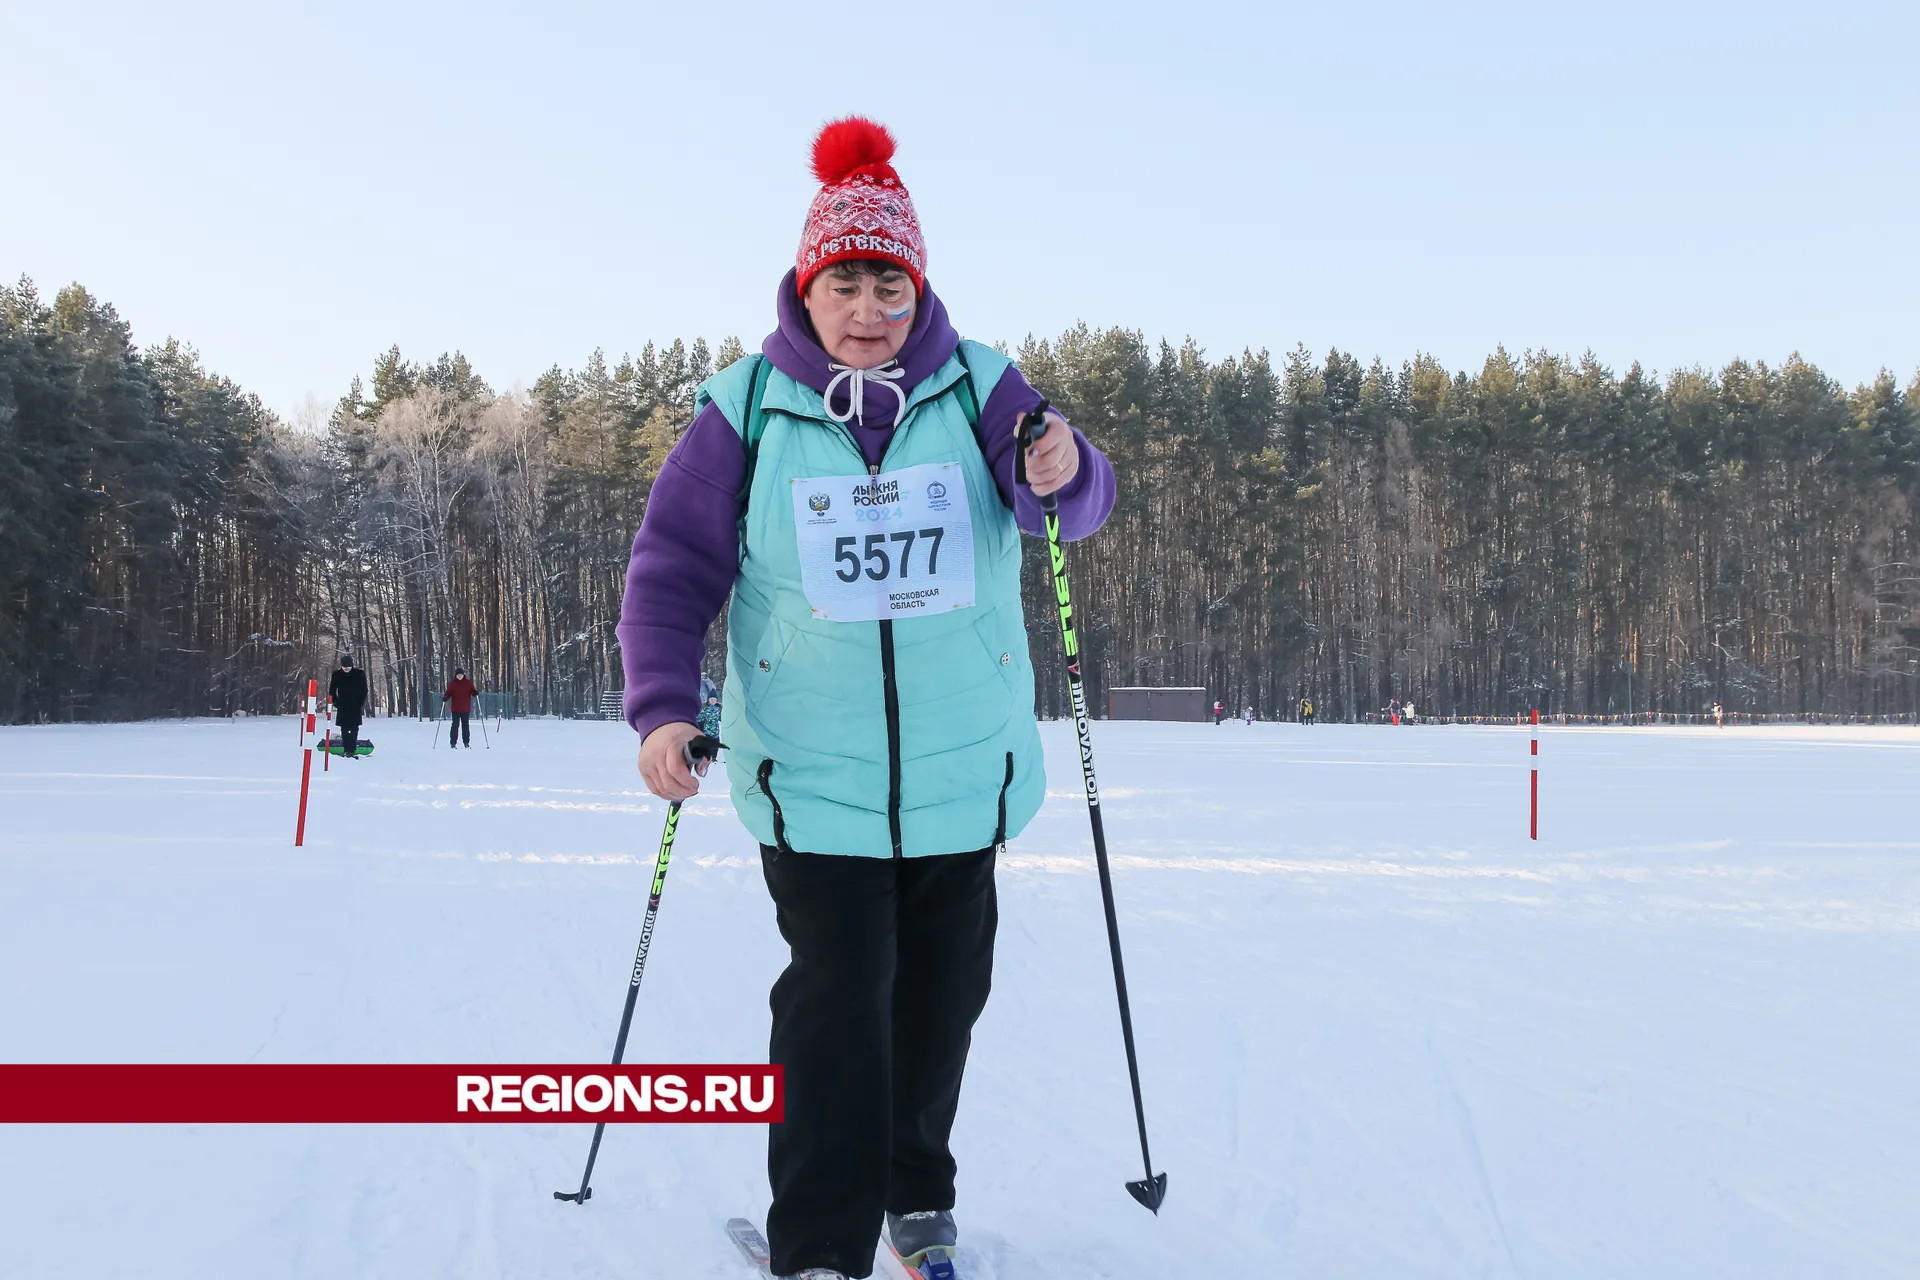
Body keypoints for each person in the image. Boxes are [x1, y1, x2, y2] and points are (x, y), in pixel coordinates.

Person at [614, 118, 1115, 1280]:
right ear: (808, 286)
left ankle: (916, 1198)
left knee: (941, 1005)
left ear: (918, 283)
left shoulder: (984, 384)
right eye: (846, 279)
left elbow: (1069, 505)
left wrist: (1064, 464)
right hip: (817, 776)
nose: (869, 305)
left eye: (890, 279)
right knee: (838, 1012)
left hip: (961, 770)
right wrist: (660, 709)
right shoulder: (744, 408)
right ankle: (822, 1245)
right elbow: (670, 569)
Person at [327, 655, 368, 760]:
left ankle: (352, 750)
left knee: (354, 728)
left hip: (355, 705)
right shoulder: (337, 674)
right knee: (344, 729)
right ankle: (346, 750)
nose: (346, 668)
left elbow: (364, 689)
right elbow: (332, 690)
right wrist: (336, 702)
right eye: (344, 667)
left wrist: (360, 703)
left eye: (348, 667)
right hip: (342, 705)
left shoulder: (359, 674)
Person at [444, 668, 477, 747]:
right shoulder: (452, 684)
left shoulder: (468, 683)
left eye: (461, 675)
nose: (460, 676)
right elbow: (448, 693)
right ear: (456, 675)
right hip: (456, 708)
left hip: (465, 708)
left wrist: (475, 693)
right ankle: (453, 742)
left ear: (463, 675)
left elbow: (472, 691)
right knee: (455, 725)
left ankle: (466, 742)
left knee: (465, 725)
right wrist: (446, 697)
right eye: (458, 675)